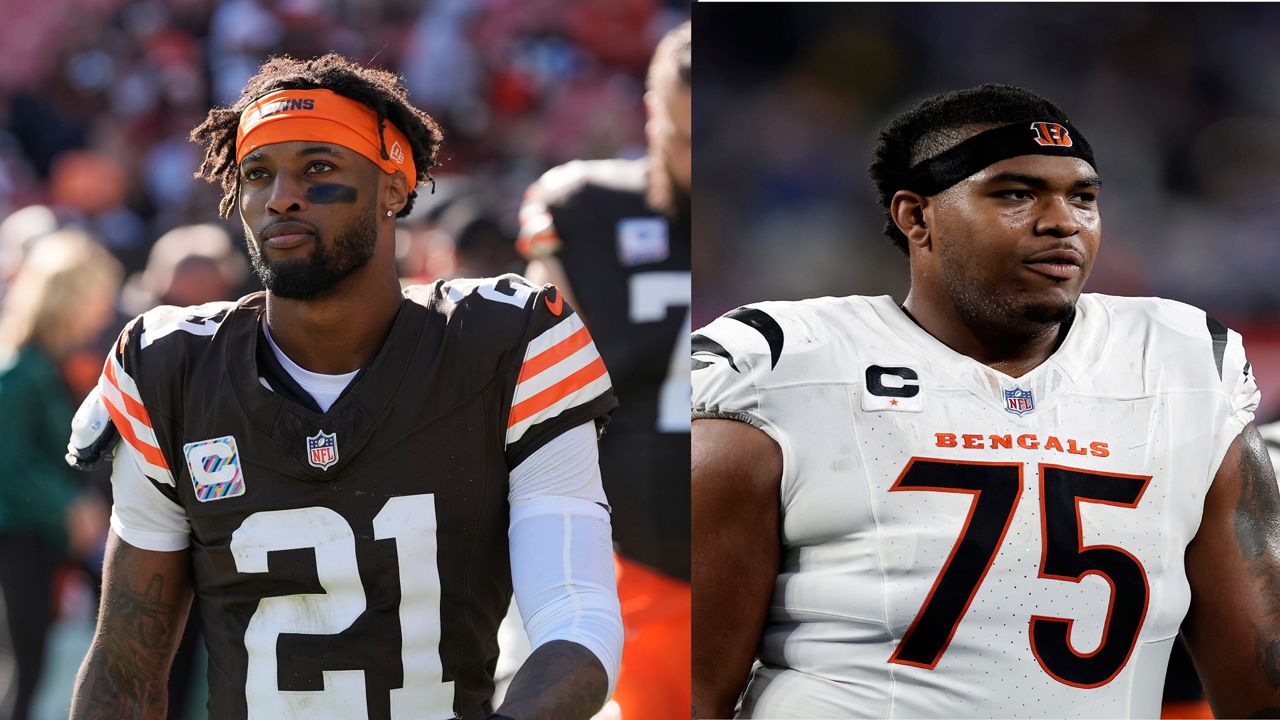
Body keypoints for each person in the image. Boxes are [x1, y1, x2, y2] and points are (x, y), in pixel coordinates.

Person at [691, 84, 1280, 718]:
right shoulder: (784, 364)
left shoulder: (1181, 362)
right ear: (916, 217)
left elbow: (1262, 673)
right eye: (1015, 194)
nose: (1062, 221)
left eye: (1083, 197)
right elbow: (695, 684)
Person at [65, 53, 622, 720]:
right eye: (259, 174)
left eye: (318, 168)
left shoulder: (507, 346)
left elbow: (577, 622)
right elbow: (125, 674)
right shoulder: (173, 370)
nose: (282, 197)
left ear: (394, 186)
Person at [517, 19, 691, 720]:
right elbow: (549, 400)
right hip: (645, 556)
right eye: (682, 139)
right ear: (652, 116)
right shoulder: (586, 211)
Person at [0, 228, 119, 720]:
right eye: (98, 296)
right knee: (28, 670)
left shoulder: (51, 365)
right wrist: (68, 507)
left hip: (45, 537)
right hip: (21, 538)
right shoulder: (20, 370)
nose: (104, 310)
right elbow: (9, 463)